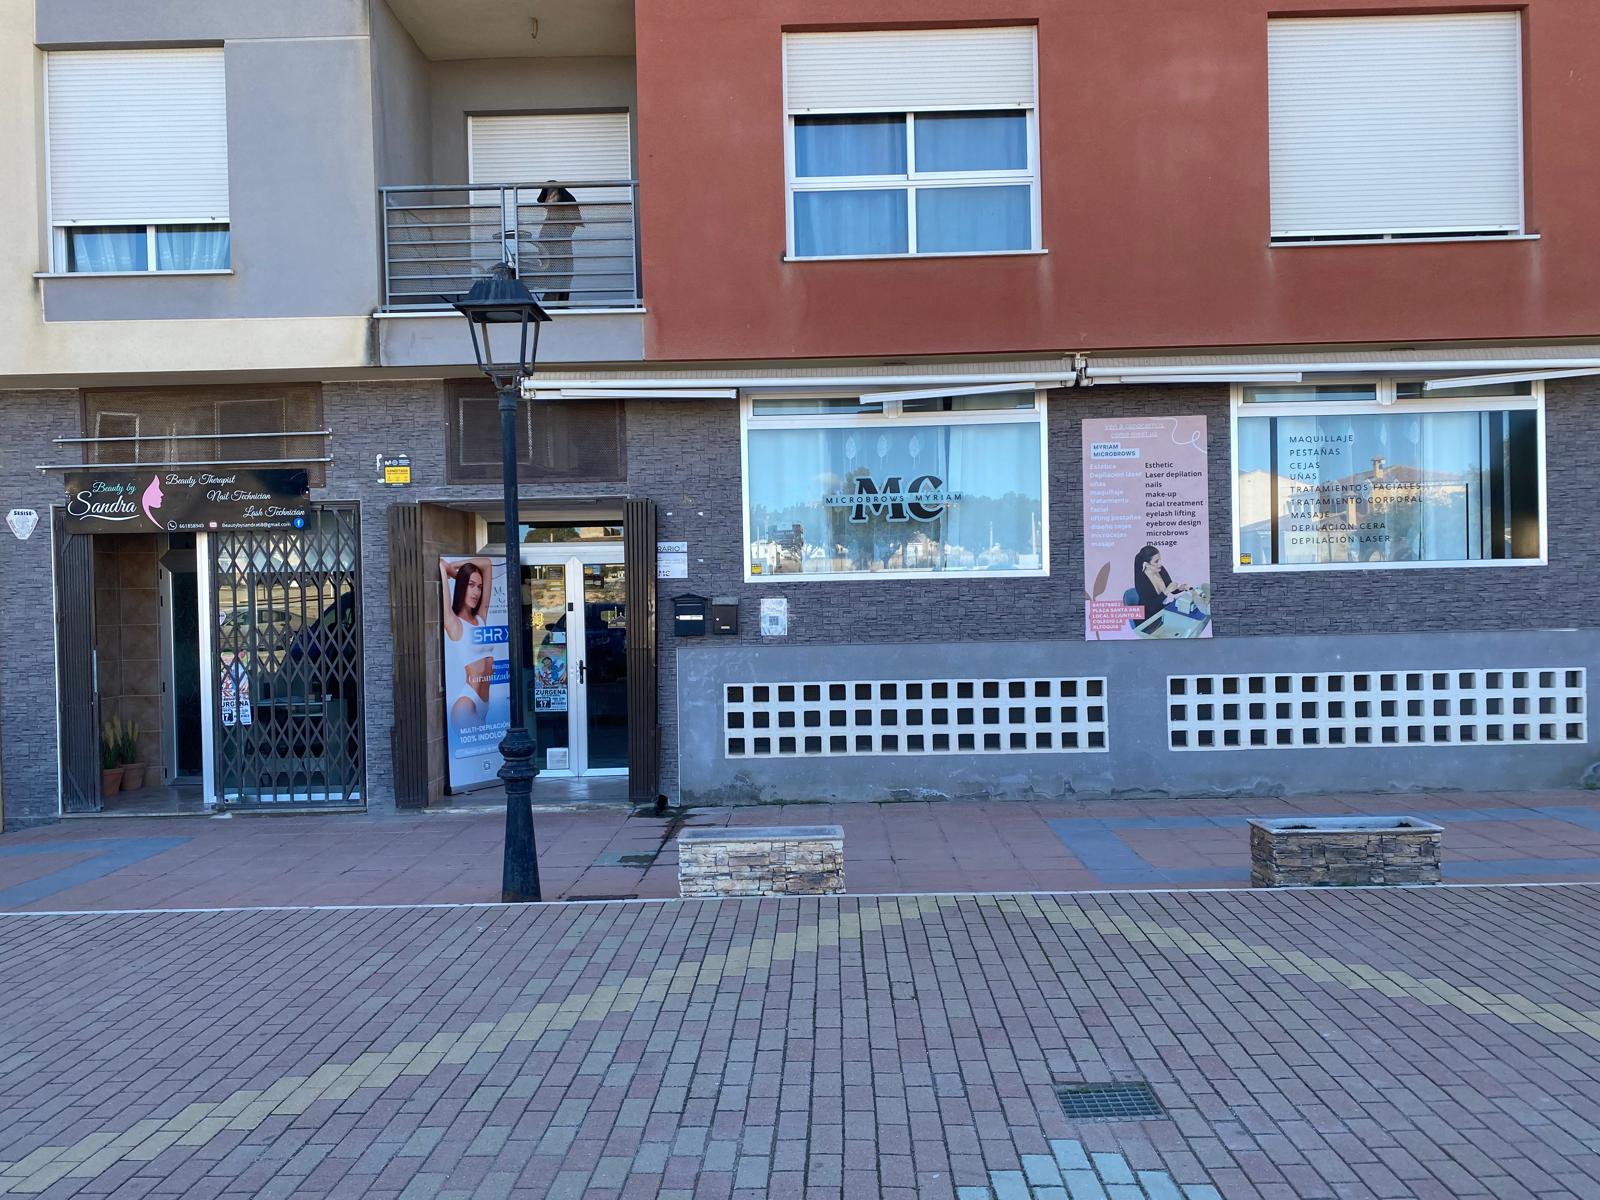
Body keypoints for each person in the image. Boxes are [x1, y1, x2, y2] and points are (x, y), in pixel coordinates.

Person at [440, 558, 495, 727]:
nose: (476, 592)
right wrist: (449, 571)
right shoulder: (455, 623)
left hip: (484, 704)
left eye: (479, 587)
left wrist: (455, 567)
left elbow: (487, 564)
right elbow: (441, 565)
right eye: (470, 585)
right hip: (466, 703)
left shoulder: (480, 618)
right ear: (462, 585)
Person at [535, 184, 583, 303]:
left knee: (557, 284)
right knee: (560, 283)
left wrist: (544, 251)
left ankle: (553, 307)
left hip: (557, 255)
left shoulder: (558, 210)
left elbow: (556, 234)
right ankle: (557, 306)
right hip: (557, 254)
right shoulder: (560, 209)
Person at [1133, 545, 1189, 621]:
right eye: (1156, 561)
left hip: (1161, 610)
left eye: (1160, 560)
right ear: (1146, 564)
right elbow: (1151, 607)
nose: (1160, 564)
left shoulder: (1161, 570)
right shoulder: (1141, 580)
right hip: (1148, 618)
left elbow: (1171, 589)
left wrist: (1181, 588)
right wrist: (1166, 592)